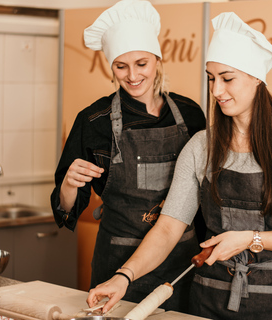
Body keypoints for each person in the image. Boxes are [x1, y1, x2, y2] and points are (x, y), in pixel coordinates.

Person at [86, 11, 272, 320]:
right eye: (212, 79)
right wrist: (123, 276)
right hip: (208, 298)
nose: (217, 91)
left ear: (257, 78)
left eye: (227, 78)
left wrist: (250, 239)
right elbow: (168, 227)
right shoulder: (201, 146)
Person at [50, 0, 206, 313]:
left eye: (141, 64)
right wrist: (69, 185)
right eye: (121, 66)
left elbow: (203, 197)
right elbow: (66, 210)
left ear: (158, 60)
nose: (132, 75)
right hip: (117, 264)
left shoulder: (190, 114)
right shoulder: (94, 121)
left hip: (181, 263)